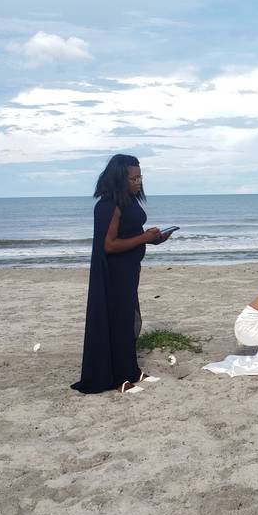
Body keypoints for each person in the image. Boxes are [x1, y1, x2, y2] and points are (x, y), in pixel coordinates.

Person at [72, 154, 171, 394]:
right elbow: (109, 245)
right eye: (133, 178)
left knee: (128, 320)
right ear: (119, 178)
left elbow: (131, 235)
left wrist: (154, 239)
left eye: (140, 177)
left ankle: (131, 370)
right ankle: (117, 379)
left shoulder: (128, 201)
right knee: (117, 322)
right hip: (114, 274)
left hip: (129, 270)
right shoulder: (108, 205)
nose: (138, 182)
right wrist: (145, 238)